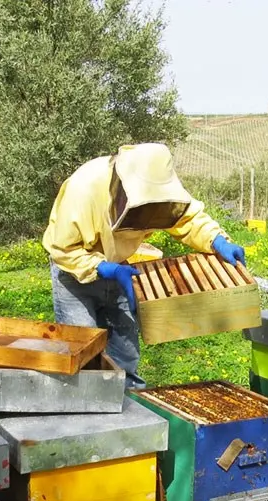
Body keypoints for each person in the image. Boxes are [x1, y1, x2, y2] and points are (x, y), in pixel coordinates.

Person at [42, 143, 245, 389]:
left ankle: (133, 412)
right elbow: (64, 249)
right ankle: (85, 414)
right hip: (74, 274)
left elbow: (186, 218)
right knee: (83, 354)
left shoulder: (156, 186)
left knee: (125, 351)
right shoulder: (83, 188)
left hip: (119, 268)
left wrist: (216, 240)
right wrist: (107, 269)